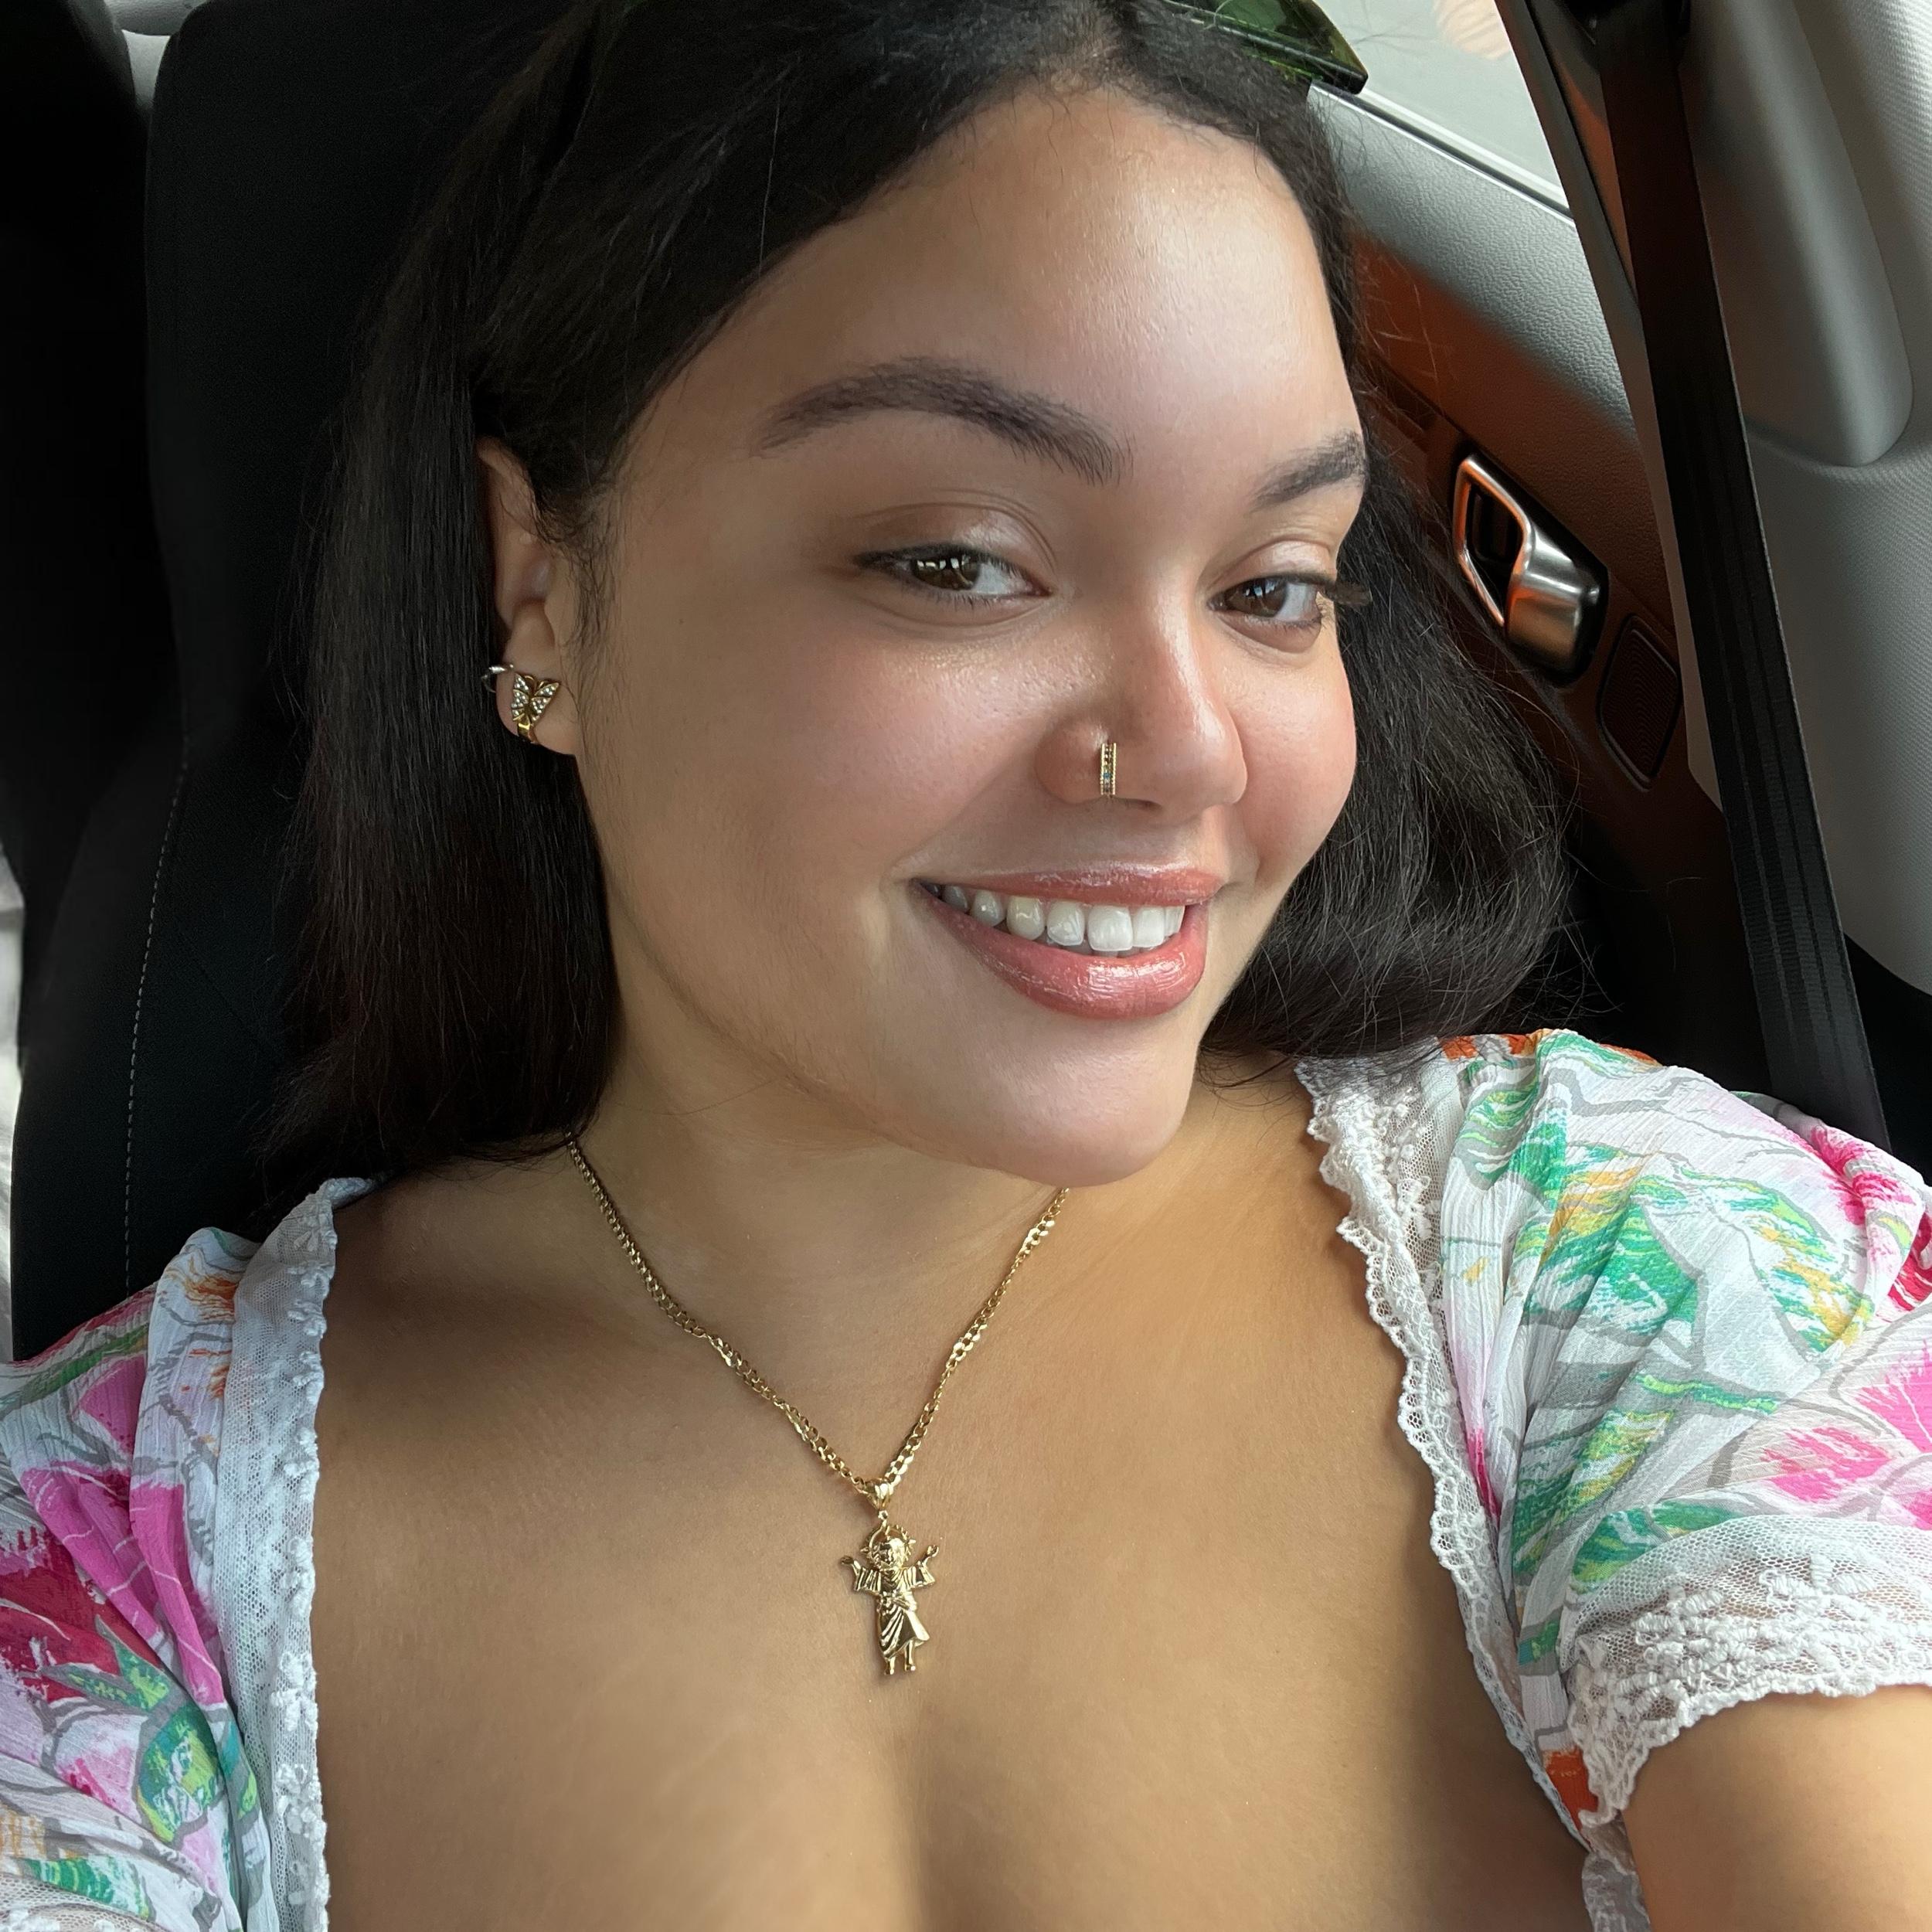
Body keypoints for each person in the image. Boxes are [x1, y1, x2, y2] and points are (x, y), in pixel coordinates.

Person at [3, 1, 1930, 1927]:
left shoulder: (1644, 1283)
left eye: (1272, 586)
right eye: (955, 560)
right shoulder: (106, 1565)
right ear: (540, 582)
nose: (1186, 748)